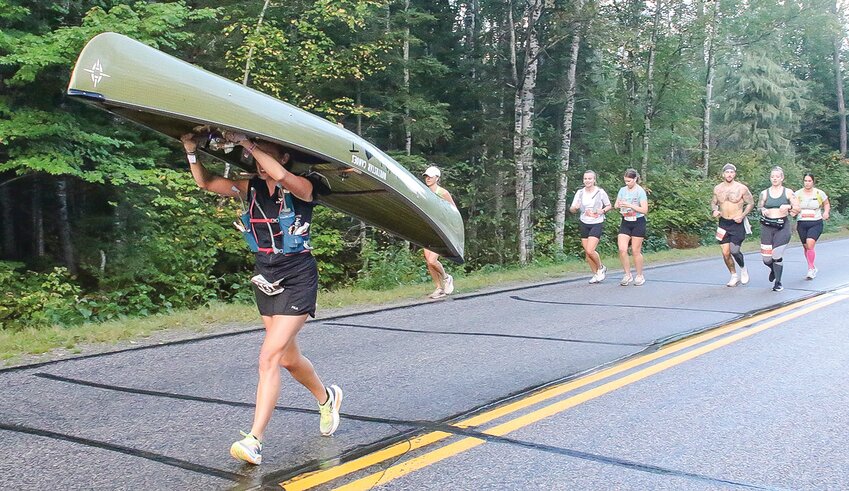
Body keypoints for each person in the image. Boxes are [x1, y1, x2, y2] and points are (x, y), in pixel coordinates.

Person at [180, 132, 342, 465]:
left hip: (298, 277)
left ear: (283, 157)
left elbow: (283, 177)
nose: (257, 161)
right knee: (286, 359)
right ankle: (327, 398)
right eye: (255, 156)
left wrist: (247, 142)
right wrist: (191, 150)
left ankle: (254, 440)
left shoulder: (305, 187)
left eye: (264, 154)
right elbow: (207, 182)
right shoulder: (249, 186)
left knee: (268, 356)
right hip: (266, 278)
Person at [710, 163, 755, 287]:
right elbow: (714, 202)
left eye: (731, 172)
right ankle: (734, 275)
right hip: (723, 223)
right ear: (723, 174)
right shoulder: (718, 188)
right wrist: (714, 210)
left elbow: (750, 203)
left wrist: (743, 215)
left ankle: (743, 268)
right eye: (727, 172)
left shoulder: (741, 188)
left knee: (735, 250)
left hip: (737, 222)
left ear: (734, 174)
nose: (729, 174)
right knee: (725, 253)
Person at [757, 166, 800, 292]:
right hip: (767, 226)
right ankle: (773, 269)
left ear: (782, 178)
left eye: (777, 176)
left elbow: (797, 208)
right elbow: (759, 206)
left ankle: (778, 282)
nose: (774, 179)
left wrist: (788, 206)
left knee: (776, 254)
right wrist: (763, 209)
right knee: (766, 259)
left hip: (782, 226)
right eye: (772, 176)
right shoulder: (764, 193)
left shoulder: (788, 192)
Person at [569, 170, 612, 284]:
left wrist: (602, 210)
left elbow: (609, 205)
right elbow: (572, 209)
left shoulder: (600, 192)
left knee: (590, 250)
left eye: (589, 179)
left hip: (596, 222)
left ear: (594, 180)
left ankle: (601, 267)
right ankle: (596, 274)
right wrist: (575, 208)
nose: (587, 181)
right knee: (587, 254)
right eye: (585, 179)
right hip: (584, 222)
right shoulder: (580, 193)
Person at [421, 165, 457, 299]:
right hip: (428, 229)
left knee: (432, 260)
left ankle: (447, 278)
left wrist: (450, 227)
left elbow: (453, 210)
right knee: (428, 261)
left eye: (431, 177)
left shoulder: (443, 192)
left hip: (441, 229)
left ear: (437, 178)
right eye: (426, 176)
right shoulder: (424, 191)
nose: (428, 179)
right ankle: (439, 288)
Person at [614, 169, 649, 286]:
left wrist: (631, 206)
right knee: (622, 249)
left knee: (635, 250)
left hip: (638, 221)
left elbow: (645, 210)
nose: (627, 183)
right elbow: (616, 204)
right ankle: (627, 274)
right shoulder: (622, 190)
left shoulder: (640, 191)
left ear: (635, 179)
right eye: (625, 181)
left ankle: (639, 275)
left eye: (629, 181)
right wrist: (618, 205)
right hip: (626, 221)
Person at [794, 173, 830, 279]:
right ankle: (812, 266)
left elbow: (826, 203)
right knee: (806, 247)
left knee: (810, 244)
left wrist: (826, 212)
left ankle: (810, 269)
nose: (807, 183)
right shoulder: (798, 194)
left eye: (809, 181)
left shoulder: (819, 193)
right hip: (802, 222)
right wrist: (793, 210)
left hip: (815, 222)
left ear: (813, 182)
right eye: (805, 180)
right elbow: (793, 205)